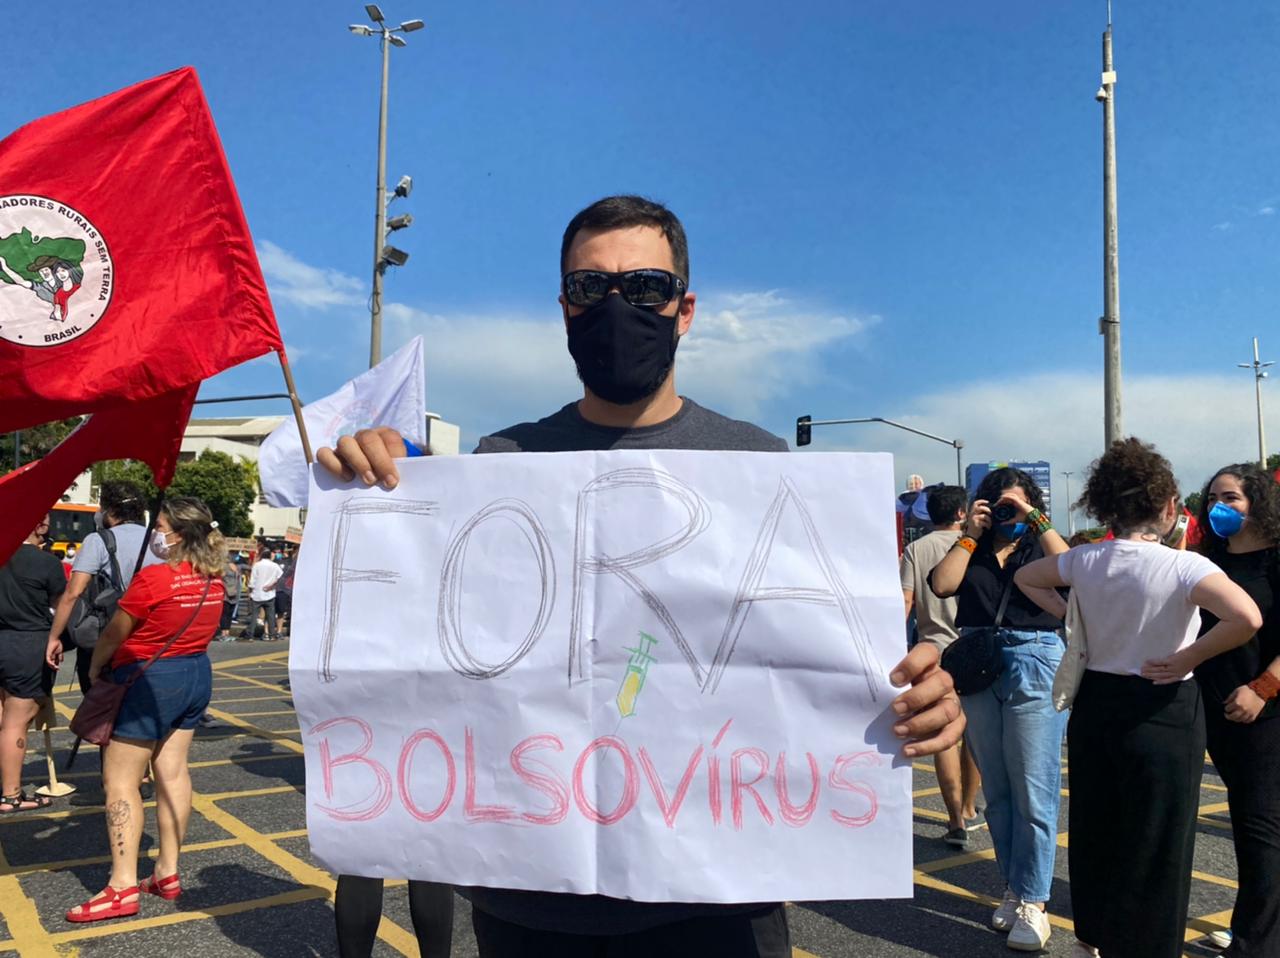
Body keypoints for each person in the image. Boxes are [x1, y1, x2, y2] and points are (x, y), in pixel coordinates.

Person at [318, 194, 965, 957]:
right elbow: (424, 652)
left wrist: (922, 695)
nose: (618, 307)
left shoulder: (758, 464)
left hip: (724, 901)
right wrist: (372, 487)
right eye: (591, 289)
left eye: (646, 287)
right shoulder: (500, 464)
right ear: (564, 308)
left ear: (684, 309)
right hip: (534, 904)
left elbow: (827, 662)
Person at [1014, 439, 1262, 958]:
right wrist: (1191, 656)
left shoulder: (1084, 559)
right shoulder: (1185, 567)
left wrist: (1069, 616)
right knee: (1159, 836)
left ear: (1105, 507)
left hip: (1097, 700)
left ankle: (1095, 935)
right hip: (1163, 703)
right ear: (1169, 507)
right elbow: (1247, 618)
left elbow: (1025, 577)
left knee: (1098, 823)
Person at [50, 497, 226, 922]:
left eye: (161, 526)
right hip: (195, 674)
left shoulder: (154, 579)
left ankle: (122, 886)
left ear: (178, 535)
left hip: (149, 680)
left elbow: (114, 633)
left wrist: (94, 665)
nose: (156, 534)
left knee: (119, 781)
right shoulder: (213, 578)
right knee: (173, 772)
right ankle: (167, 870)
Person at [928, 467, 1069, 952]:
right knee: (999, 788)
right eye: (999, 504)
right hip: (978, 662)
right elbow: (942, 586)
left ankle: (1035, 900)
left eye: (1016, 503)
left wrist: (1035, 520)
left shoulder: (1040, 544)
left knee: (1035, 785)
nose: (1007, 512)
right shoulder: (974, 548)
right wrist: (970, 536)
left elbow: (1073, 571)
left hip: (1036, 657)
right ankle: (1013, 888)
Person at [1192, 463, 1280, 955]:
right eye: (1212, 498)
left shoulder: (1276, 561)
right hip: (1208, 707)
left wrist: (1264, 687)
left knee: (1259, 830)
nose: (1218, 507)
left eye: (1231, 497)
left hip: (1264, 713)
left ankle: (1256, 944)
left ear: (1258, 502)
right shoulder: (1207, 560)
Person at [901, 484, 983, 851]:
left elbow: (905, 601)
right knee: (972, 736)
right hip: (973, 649)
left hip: (932, 653)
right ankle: (969, 804)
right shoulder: (972, 545)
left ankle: (955, 819)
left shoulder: (915, 550)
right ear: (961, 513)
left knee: (943, 740)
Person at [47, 481, 156, 694]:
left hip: (109, 633)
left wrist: (54, 637)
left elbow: (73, 592)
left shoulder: (98, 540)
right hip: (149, 633)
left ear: (110, 510)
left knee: (100, 705)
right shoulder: (156, 539)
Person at [0, 515, 65, 813]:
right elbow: (61, 605)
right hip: (29, 644)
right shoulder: (47, 563)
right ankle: (11, 794)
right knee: (16, 722)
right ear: (39, 526)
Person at [248, 548, 282, 641]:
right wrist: (271, 585)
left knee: (254, 616)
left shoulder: (257, 565)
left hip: (257, 593)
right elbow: (281, 577)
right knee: (270, 616)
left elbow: (252, 580)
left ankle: (250, 635)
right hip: (269, 594)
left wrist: (250, 591)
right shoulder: (275, 565)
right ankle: (272, 635)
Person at [274, 547, 295, 637]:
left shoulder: (293, 562)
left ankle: (279, 631)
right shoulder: (277, 561)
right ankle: (272, 631)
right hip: (279, 589)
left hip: (288, 590)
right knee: (277, 612)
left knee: (284, 612)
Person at [218, 558, 242, 641]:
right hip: (232, 593)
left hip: (228, 593)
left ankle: (224, 633)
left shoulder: (225, 567)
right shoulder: (236, 567)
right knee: (228, 614)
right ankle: (226, 632)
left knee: (225, 614)